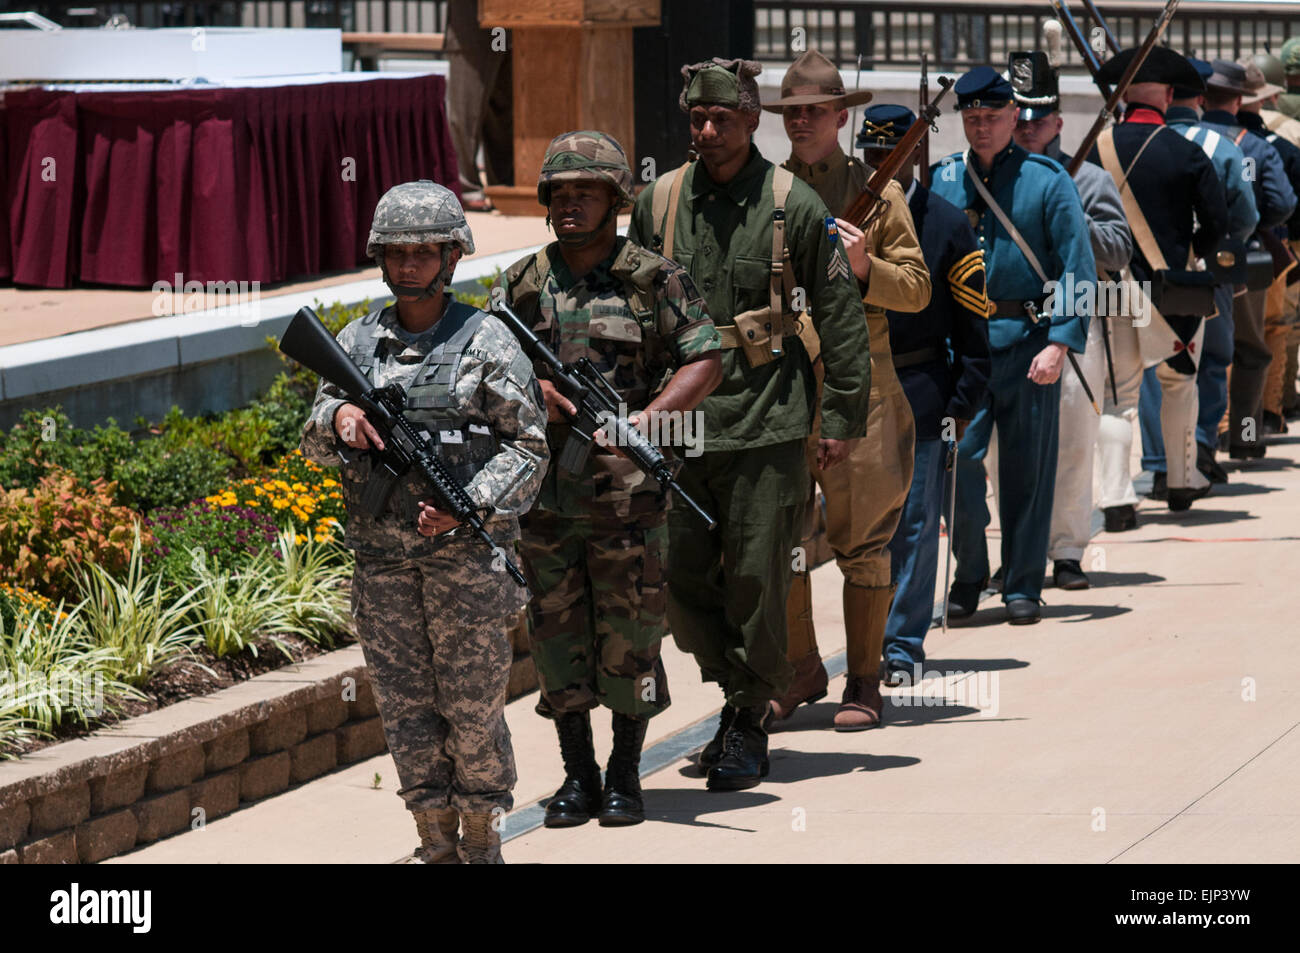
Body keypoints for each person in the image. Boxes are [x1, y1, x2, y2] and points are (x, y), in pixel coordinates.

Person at [628, 57, 872, 790]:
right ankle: (736, 691)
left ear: (751, 120)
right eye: (698, 119)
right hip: (680, 427)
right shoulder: (660, 201)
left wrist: (841, 417)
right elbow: (634, 317)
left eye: (723, 119)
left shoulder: (790, 202)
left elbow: (839, 316)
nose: (708, 131)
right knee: (684, 582)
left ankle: (747, 717)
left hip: (766, 423)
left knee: (761, 582)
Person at [299, 181, 549, 864]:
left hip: (465, 566)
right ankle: (434, 842)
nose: (408, 265)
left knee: (472, 712)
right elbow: (313, 441)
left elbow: (529, 447)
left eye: (423, 252)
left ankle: (480, 839)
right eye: (397, 252)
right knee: (406, 712)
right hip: (383, 568)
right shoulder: (358, 340)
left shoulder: (486, 340)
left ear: (452, 255)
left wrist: (471, 500)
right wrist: (339, 418)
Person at [498, 131, 721, 827]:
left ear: (615, 201)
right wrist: (533, 384)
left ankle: (626, 773)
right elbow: (484, 362)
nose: (569, 206)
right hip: (547, 502)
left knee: (631, 638)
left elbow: (705, 357)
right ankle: (578, 775)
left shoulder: (654, 279)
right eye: (559, 195)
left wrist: (647, 422)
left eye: (584, 193)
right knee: (557, 637)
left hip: (628, 498)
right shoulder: (525, 281)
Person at [762, 51, 931, 730]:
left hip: (863, 391)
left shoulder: (880, 193)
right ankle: (802, 667)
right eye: (791, 112)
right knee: (784, 537)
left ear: (841, 115)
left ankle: (865, 678)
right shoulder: (767, 194)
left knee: (864, 539)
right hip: (784, 387)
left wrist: (865, 268)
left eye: (814, 111)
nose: (802, 122)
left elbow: (917, 289)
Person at [929, 66, 1095, 625]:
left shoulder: (1048, 180)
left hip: (1028, 341)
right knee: (960, 468)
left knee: (1028, 470)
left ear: (1013, 117)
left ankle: (1023, 583)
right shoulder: (943, 180)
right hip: (963, 350)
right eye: (972, 118)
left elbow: (1077, 269)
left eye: (993, 118)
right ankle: (971, 572)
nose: (982, 128)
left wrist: (1060, 343)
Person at [856, 103, 991, 683]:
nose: (878, 166)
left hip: (921, 388)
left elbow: (972, 327)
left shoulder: (946, 222)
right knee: (862, 528)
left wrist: (963, 403)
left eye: (890, 155)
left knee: (915, 522)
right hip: (853, 389)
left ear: (916, 154)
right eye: (869, 155)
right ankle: (865, 637)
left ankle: (902, 646)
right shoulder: (842, 214)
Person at [1084, 49, 1230, 515]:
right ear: (1169, 96)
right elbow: (1215, 226)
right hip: (1177, 291)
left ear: (1124, 94)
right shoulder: (1187, 152)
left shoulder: (1095, 148)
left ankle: (1117, 499)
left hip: (1111, 290)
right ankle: (1183, 481)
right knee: (1180, 384)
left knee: (1117, 397)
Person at [1009, 50, 1133, 583]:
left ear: (1059, 123)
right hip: (1010, 324)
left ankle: (1065, 552)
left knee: (1075, 444)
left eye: (1040, 118)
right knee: (1002, 453)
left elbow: (1119, 249)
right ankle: (1016, 559)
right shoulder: (990, 179)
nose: (1030, 127)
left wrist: (1071, 217)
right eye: (1022, 117)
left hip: (1073, 321)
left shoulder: (1090, 182)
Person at [1140, 59, 1259, 494]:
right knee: (1210, 359)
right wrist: (1218, 250)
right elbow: (1245, 215)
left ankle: (1158, 461)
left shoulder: (1132, 141)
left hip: (1141, 272)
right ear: (1199, 99)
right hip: (1203, 271)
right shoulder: (1220, 145)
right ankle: (1200, 446)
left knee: (1153, 366)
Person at [1196, 60, 1296, 462]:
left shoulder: (1184, 138)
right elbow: (1282, 203)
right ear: (1240, 101)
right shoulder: (1254, 146)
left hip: (1189, 257)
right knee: (1250, 349)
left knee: (1198, 351)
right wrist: (1255, 228)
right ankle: (1245, 435)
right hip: (1242, 258)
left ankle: (1208, 435)